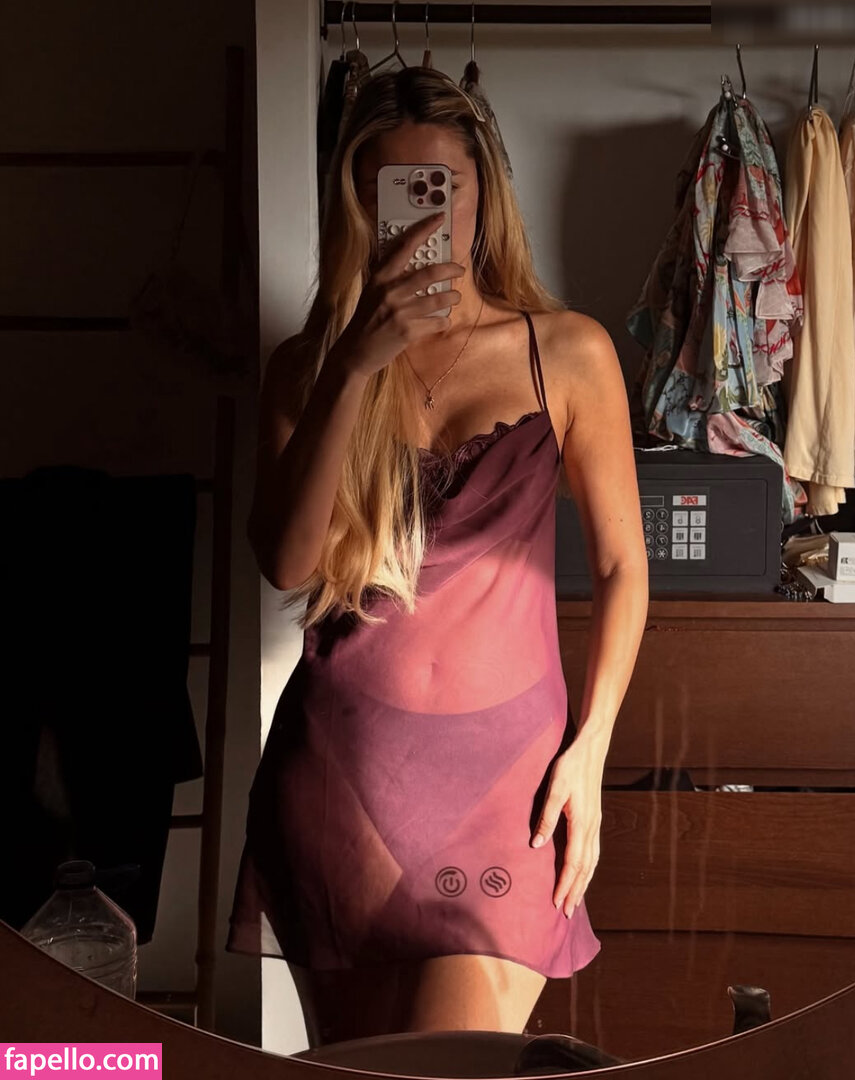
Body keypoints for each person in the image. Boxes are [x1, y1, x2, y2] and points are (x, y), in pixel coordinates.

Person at [226, 65, 649, 1047]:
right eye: (394, 194)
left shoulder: (568, 351)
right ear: (356, 208)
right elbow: (287, 565)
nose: (423, 222)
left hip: (507, 785)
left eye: (442, 191)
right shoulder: (310, 367)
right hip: (338, 784)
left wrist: (591, 748)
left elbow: (623, 567)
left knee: (457, 1070)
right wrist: (352, 367)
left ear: (483, 197)